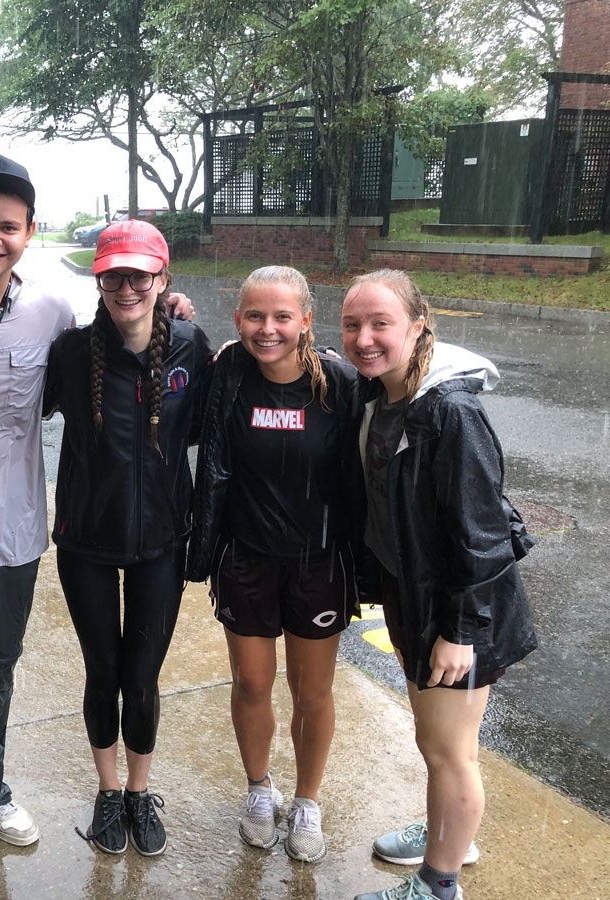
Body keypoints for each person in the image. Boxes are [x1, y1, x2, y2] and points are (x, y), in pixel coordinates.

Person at [0, 154, 194, 900]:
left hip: (14, 520)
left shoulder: (54, 315)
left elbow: (120, 355)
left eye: (8, 227)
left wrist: (174, 315)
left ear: (29, 232)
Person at [341, 270, 537, 900]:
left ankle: (439, 881)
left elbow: (483, 537)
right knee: (435, 741)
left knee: (450, 750)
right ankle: (445, 829)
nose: (365, 339)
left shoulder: (449, 411)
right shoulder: (383, 393)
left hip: (459, 612)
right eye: (353, 325)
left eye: (381, 324)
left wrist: (461, 632)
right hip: (414, 596)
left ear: (418, 325)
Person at [43, 220, 211, 857]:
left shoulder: (191, 347)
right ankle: (108, 792)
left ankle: (140, 794)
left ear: (162, 278)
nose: (127, 285)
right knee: (102, 670)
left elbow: (234, 401)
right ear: (99, 278)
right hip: (86, 539)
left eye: (140, 274)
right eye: (115, 274)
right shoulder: (72, 352)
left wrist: (324, 363)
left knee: (141, 678)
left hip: (161, 542)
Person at [186, 266, 364, 864]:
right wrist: (173, 308)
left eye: (282, 317)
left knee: (311, 691)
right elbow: (170, 357)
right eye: (255, 316)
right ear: (237, 321)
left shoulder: (338, 384)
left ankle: (308, 800)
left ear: (306, 321)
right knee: (251, 683)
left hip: (317, 562)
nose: (269, 329)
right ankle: (259, 789)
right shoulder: (228, 375)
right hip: (246, 558)